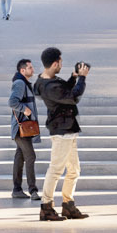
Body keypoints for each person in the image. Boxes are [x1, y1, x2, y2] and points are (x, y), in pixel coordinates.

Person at [36, 46, 88, 220]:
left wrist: (73, 78)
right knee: (56, 169)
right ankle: (46, 206)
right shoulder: (48, 86)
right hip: (62, 131)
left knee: (74, 170)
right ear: (54, 63)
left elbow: (64, 91)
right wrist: (82, 78)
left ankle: (68, 204)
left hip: (68, 129)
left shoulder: (49, 81)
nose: (61, 65)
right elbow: (72, 97)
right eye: (60, 62)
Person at [9, 57, 41, 200]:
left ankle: (17, 189)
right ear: (22, 70)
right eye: (30, 68)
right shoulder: (20, 83)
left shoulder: (24, 83)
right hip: (22, 128)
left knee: (20, 156)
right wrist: (25, 110)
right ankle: (33, 190)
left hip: (24, 128)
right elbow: (12, 102)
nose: (32, 70)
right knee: (30, 156)